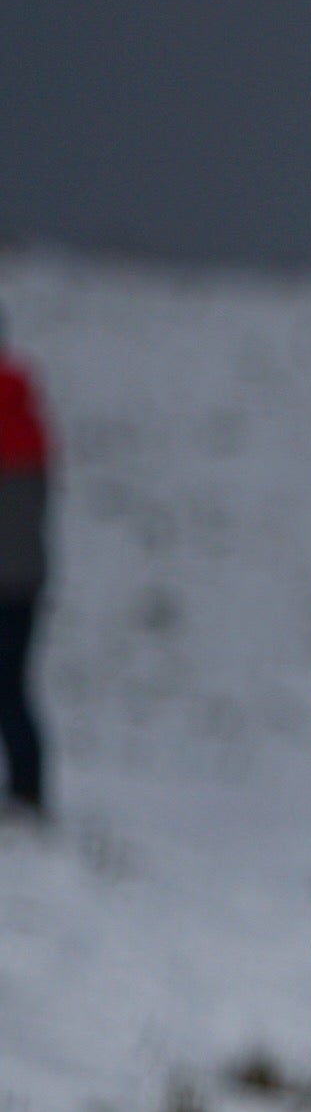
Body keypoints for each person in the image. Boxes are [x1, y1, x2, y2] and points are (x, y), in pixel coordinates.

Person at [0, 307, 51, 821]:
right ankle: (28, 787)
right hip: (28, 576)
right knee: (13, 686)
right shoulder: (28, 416)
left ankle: (27, 794)